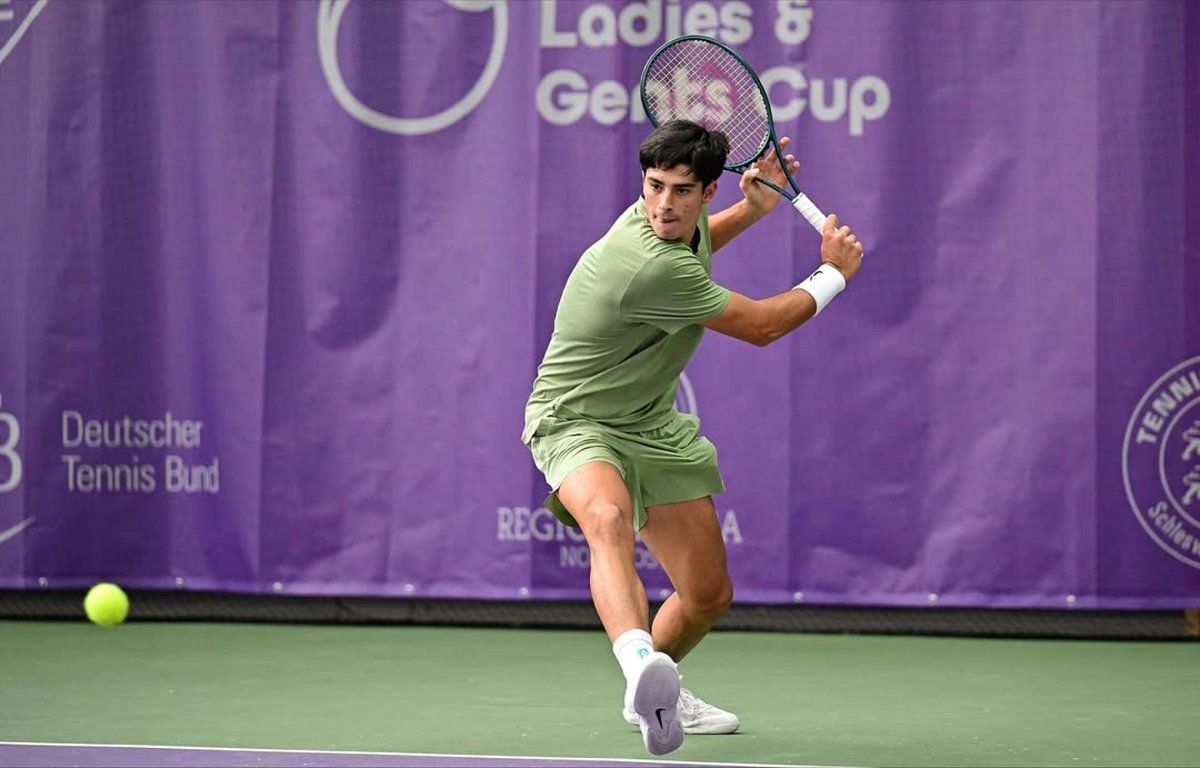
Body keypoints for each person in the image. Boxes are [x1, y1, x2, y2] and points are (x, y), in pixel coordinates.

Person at [521, 119, 864, 755]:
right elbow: (761, 326)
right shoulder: (646, 261)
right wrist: (833, 275)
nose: (663, 204)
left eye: (682, 191)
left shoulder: (679, 233)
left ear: (707, 192)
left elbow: (697, 244)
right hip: (575, 419)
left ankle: (655, 691)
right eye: (654, 187)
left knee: (707, 593)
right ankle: (637, 666)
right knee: (606, 517)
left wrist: (753, 209)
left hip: (651, 425)